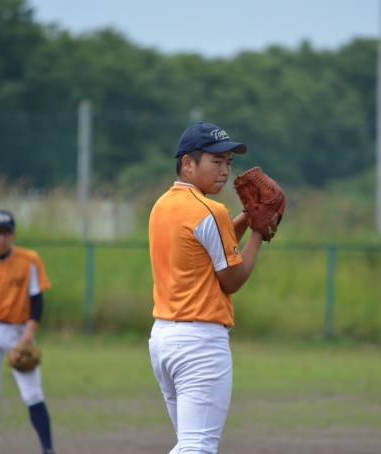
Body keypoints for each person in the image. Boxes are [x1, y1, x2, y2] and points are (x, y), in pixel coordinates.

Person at [148, 123, 275, 454]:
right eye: (215, 161)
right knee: (198, 446)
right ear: (188, 163)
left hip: (163, 339)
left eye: (228, 163)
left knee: (189, 444)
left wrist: (247, 217)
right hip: (200, 343)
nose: (225, 171)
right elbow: (233, 279)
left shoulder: (162, 205)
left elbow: (209, 245)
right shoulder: (210, 210)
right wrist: (259, 233)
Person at [0, 210, 55, 454]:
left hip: (20, 331)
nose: (2, 238)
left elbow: (38, 302)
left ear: (13, 235)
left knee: (33, 394)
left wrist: (27, 338)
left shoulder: (29, 260)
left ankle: (48, 449)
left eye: (6, 232)